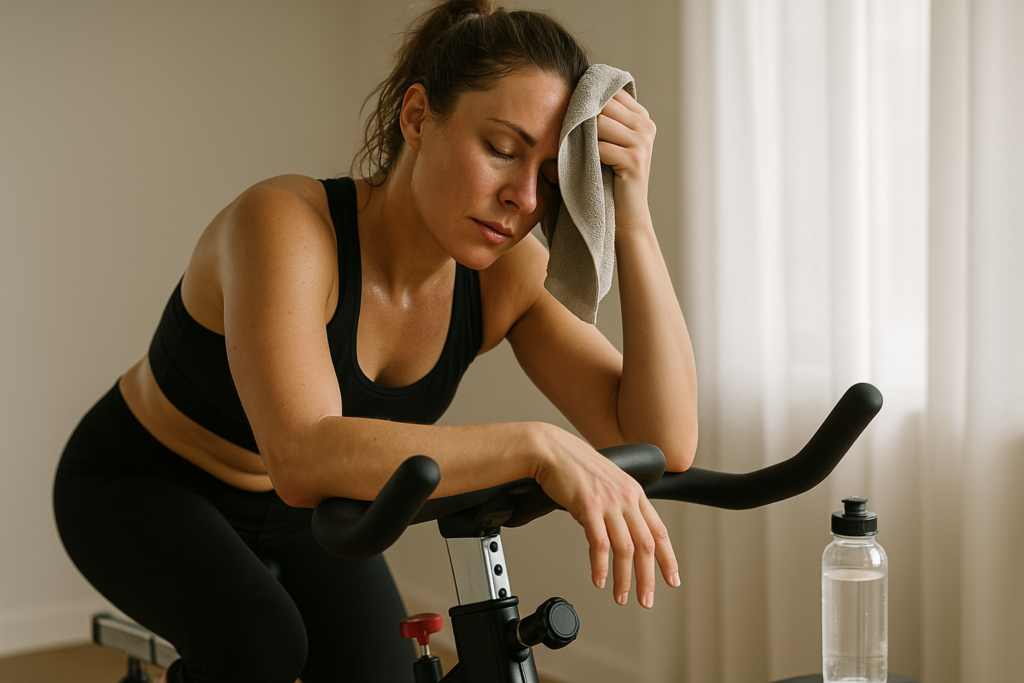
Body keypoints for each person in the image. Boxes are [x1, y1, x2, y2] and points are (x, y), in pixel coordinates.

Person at [53, 1, 698, 681]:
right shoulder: (286, 225)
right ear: (417, 117)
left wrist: (632, 214)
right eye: (502, 150)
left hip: (304, 517)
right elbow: (303, 454)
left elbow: (663, 441)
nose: (525, 199)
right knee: (260, 645)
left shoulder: (507, 277)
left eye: (547, 176)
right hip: (144, 481)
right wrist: (536, 445)